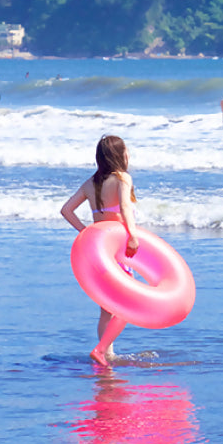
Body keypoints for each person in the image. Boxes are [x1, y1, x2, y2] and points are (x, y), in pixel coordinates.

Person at [60, 135, 140, 367]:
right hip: (115, 251)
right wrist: (133, 235)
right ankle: (101, 349)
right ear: (120, 154)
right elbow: (124, 206)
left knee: (107, 309)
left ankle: (108, 355)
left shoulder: (90, 183)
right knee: (127, 304)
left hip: (96, 251)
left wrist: (85, 232)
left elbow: (66, 210)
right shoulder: (122, 178)